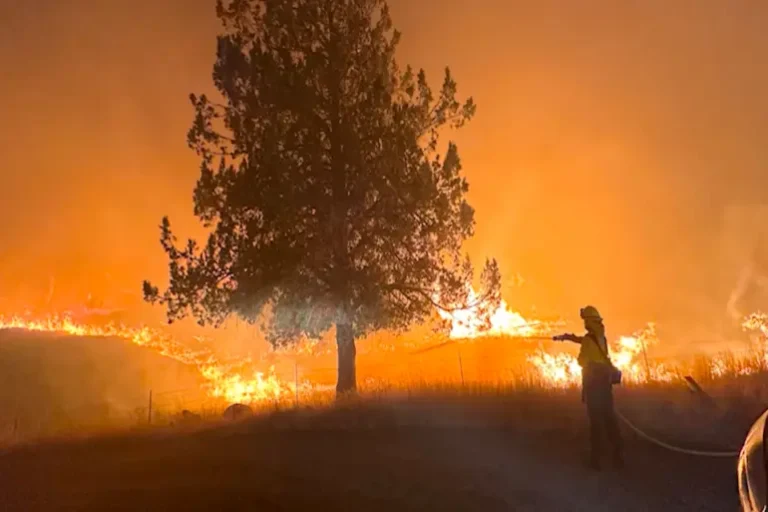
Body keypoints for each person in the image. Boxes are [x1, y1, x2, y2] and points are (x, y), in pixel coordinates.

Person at [553, 305, 623, 470]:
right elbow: (586, 340)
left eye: (585, 320)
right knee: (609, 419)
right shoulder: (601, 337)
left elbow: (581, 360)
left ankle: (596, 461)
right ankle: (618, 456)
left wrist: (579, 352)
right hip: (605, 386)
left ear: (589, 321)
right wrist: (568, 337)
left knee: (596, 423)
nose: (584, 323)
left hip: (593, 386)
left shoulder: (589, 341)